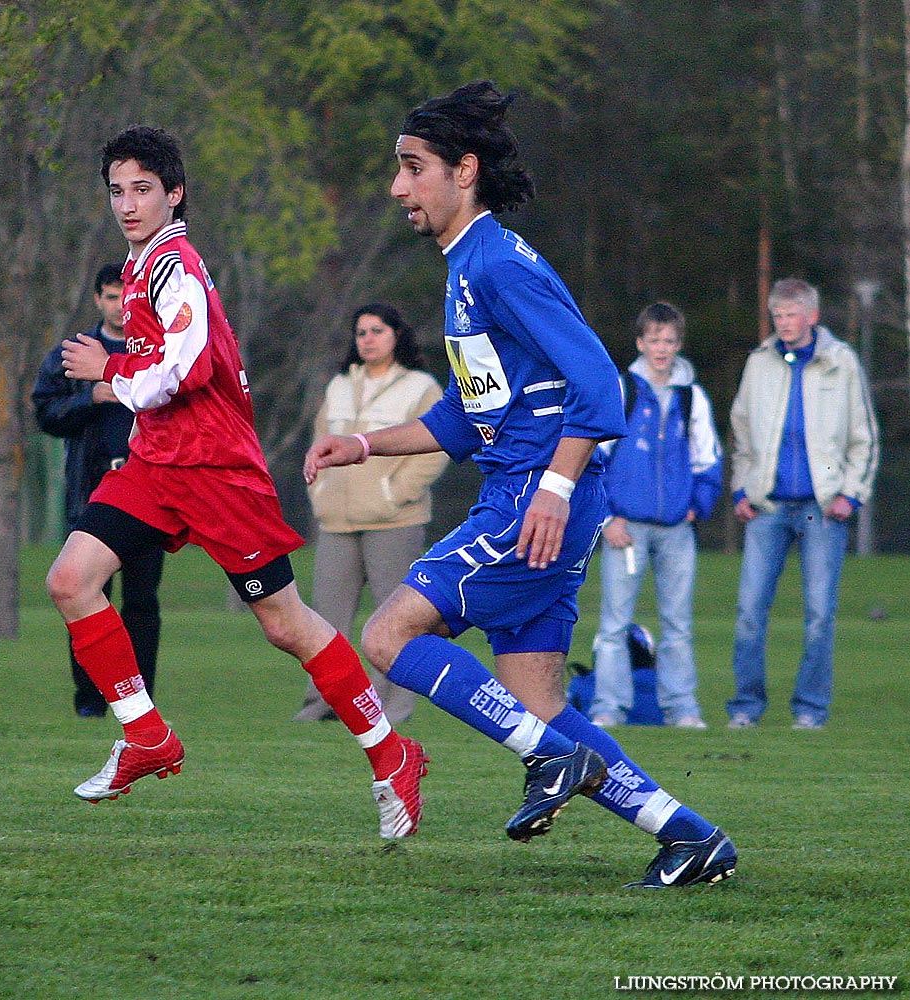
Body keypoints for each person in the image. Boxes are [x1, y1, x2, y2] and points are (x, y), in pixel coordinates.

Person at [305, 82, 736, 888]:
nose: (398, 187)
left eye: (412, 168)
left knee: (388, 637)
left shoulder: (498, 264)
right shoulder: (469, 264)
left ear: (462, 170)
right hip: (537, 500)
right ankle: (690, 838)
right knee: (538, 707)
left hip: (529, 504)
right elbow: (467, 422)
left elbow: (603, 392)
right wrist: (361, 443)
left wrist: (553, 489)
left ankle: (552, 761)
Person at [47, 124, 427, 840]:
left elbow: (180, 373)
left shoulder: (174, 267)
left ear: (174, 193)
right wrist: (132, 427)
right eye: (116, 192)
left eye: (142, 190)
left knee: (285, 624)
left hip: (217, 472)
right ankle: (146, 735)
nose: (127, 205)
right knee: (71, 580)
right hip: (160, 464)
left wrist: (110, 373)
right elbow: (164, 378)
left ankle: (391, 753)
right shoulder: (140, 266)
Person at [726, 278, 879, 731]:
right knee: (750, 611)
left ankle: (810, 710)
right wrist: (741, 488)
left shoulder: (842, 362)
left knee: (818, 614)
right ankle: (745, 708)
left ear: (812, 317)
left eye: (792, 315)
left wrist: (851, 494)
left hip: (822, 508)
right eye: (777, 316)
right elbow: (741, 433)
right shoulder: (759, 363)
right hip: (768, 507)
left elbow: (863, 436)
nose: (784, 324)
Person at [295, 302, 447, 725]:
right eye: (361, 332)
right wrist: (322, 493)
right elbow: (319, 442)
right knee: (324, 620)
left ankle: (392, 707)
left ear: (396, 335)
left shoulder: (420, 386)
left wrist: (393, 492)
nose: (368, 339)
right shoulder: (340, 385)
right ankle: (323, 703)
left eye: (377, 331)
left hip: (394, 521)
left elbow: (433, 450)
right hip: (337, 523)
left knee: (395, 617)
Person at [33, 264, 164, 718]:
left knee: (142, 601)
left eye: (124, 296)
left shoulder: (155, 351)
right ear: (98, 300)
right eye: (110, 297)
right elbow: (45, 412)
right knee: (86, 596)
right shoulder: (76, 353)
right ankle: (91, 700)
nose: (118, 306)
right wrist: (91, 398)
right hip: (92, 493)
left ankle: (141, 700)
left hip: (149, 494)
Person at [590, 303, 723, 730]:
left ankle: (682, 707)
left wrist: (696, 506)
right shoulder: (623, 390)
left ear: (678, 345)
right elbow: (594, 458)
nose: (661, 349)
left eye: (669, 341)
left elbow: (709, 460)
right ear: (640, 343)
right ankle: (609, 707)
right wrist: (608, 518)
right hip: (625, 529)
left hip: (676, 530)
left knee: (678, 622)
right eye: (653, 340)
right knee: (614, 622)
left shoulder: (692, 397)